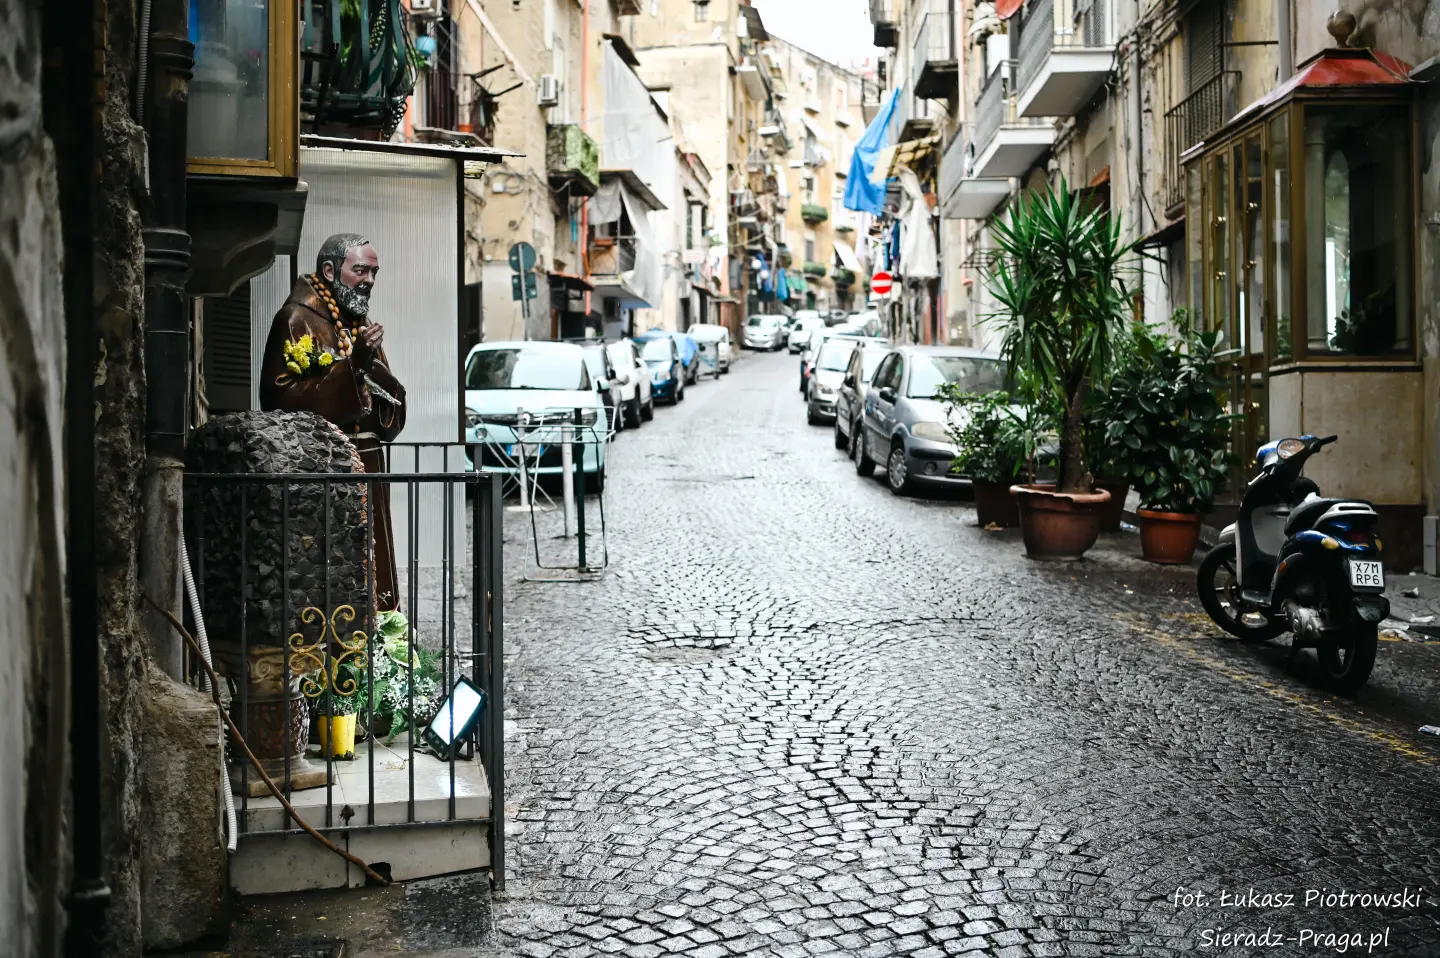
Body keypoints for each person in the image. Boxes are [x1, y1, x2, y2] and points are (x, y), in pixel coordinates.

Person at [260, 233, 406, 610]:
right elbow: (283, 400)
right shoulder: (296, 319)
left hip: (365, 462)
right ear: (329, 270)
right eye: (361, 270)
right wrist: (353, 366)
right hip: (319, 471)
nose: (369, 280)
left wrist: (374, 373)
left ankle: (378, 629)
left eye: (373, 272)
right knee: (325, 570)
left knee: (374, 565)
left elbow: (384, 398)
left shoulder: (356, 322)